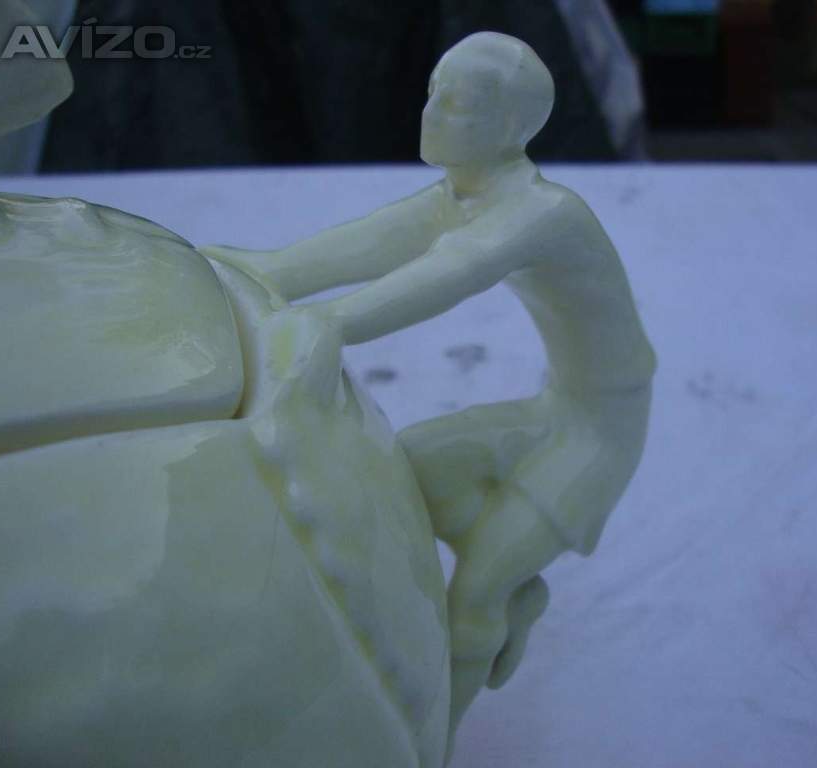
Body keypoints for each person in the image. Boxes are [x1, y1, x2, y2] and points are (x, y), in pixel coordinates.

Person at [202, 31, 656, 739]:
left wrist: (331, 323)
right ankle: (510, 587)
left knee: (470, 596)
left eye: (460, 102)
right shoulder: (461, 193)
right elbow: (374, 241)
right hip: (558, 405)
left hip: (603, 429)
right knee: (405, 470)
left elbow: (454, 271)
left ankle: (431, 740)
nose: (433, 112)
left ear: (511, 126)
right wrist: (269, 270)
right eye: (432, 90)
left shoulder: (542, 211)